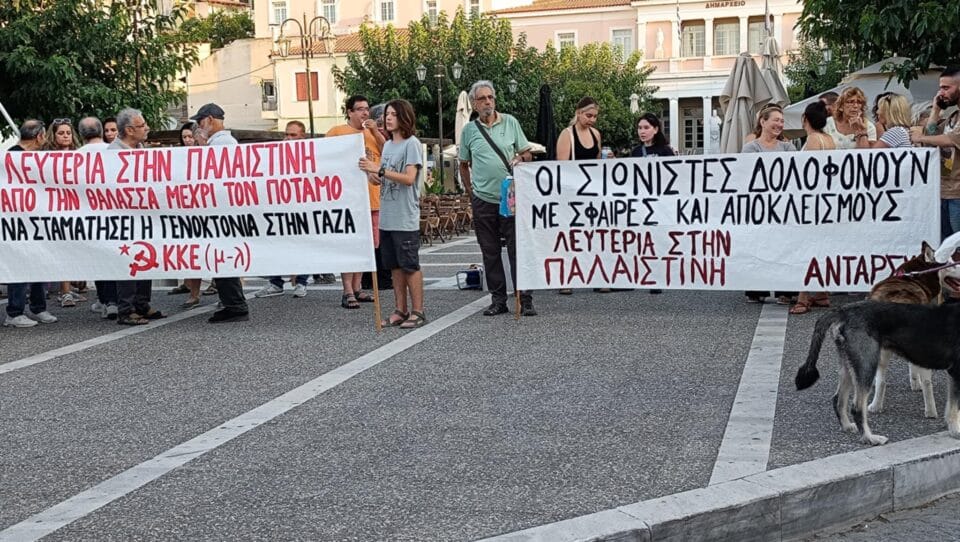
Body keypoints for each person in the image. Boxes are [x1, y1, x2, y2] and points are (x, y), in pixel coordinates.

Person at [458, 80, 536, 317]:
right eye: (482, 98)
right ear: (474, 104)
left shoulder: (510, 122)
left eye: (490, 97)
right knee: (490, 251)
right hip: (483, 199)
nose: (487, 102)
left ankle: (525, 298)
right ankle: (498, 299)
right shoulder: (469, 130)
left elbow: (527, 153)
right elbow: (463, 164)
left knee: (517, 249)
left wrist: (520, 159)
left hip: (510, 197)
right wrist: (471, 191)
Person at [358, 99, 427, 329]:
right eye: (387, 114)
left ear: (404, 117)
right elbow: (384, 177)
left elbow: (409, 178)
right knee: (394, 266)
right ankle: (400, 309)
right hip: (387, 216)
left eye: (394, 114)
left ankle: (418, 311)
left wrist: (379, 170)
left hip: (404, 217)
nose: (388, 118)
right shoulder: (387, 146)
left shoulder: (411, 144)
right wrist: (372, 175)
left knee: (410, 265)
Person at [190, 103, 250, 323]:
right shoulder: (221, 143)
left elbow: (214, 175)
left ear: (210, 120)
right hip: (222, 210)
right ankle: (232, 303)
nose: (198, 126)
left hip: (222, 211)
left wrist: (202, 147)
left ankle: (235, 305)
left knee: (223, 259)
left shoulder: (222, 144)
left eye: (200, 122)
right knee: (221, 259)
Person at [326, 96, 386, 309]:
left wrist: (376, 132)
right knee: (350, 245)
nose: (365, 113)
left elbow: (387, 152)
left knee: (366, 247)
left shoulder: (373, 133)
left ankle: (358, 287)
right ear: (349, 112)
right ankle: (347, 291)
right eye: (359, 109)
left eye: (367, 109)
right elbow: (324, 158)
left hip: (372, 199)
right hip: (348, 200)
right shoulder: (337, 132)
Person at [110, 108, 165, 325]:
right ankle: (126, 309)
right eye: (142, 126)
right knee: (128, 261)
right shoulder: (112, 153)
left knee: (146, 257)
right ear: (129, 130)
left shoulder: (142, 150)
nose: (147, 128)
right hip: (124, 217)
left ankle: (142, 303)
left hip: (144, 214)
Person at [3, 120, 58, 328]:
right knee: (19, 265)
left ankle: (38, 307)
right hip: (17, 222)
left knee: (40, 263)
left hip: (37, 220)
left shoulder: (36, 157)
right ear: (39, 136)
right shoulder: (11, 157)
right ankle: (14, 312)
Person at [741, 105, 797, 304]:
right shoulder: (751, 148)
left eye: (782, 121)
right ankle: (757, 289)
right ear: (763, 122)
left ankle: (786, 290)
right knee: (759, 246)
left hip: (783, 206)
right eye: (776, 120)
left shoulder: (788, 148)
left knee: (784, 247)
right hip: (758, 206)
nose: (779, 124)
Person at [254, 120, 314, 300]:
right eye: (286, 134)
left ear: (302, 136)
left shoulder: (310, 154)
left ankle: (302, 282)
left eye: (293, 135)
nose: (288, 138)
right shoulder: (275, 154)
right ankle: (275, 282)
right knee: (275, 243)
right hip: (279, 207)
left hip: (302, 207)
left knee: (302, 245)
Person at [789, 102, 835, 315]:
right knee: (820, 247)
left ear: (804, 119)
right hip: (825, 201)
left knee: (805, 249)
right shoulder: (829, 139)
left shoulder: (814, 139)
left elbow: (809, 172)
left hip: (812, 202)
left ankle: (803, 297)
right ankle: (823, 293)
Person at [556, 97, 602, 295]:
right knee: (570, 236)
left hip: (591, 192)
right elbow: (562, 166)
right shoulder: (567, 134)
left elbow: (598, 164)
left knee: (594, 235)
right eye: (588, 115)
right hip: (572, 193)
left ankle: (597, 275)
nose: (592, 119)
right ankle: (566, 278)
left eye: (595, 116)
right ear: (578, 113)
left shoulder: (596, 134)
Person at [910, 66, 960, 242]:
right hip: (943, 190)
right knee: (944, 244)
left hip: (958, 194)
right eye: (940, 88)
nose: (941, 93)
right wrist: (935, 110)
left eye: (946, 88)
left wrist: (920, 137)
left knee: (956, 243)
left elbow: (950, 139)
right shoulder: (953, 117)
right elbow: (931, 136)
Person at [632, 112, 678, 295]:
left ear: (656, 129)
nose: (642, 131)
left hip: (660, 202)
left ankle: (657, 276)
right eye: (639, 128)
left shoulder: (665, 151)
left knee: (658, 239)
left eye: (646, 128)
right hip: (641, 202)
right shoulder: (635, 152)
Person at [78, 117, 118, 319]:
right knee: (115, 258)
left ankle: (105, 300)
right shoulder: (114, 152)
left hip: (90, 216)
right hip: (115, 214)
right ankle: (114, 301)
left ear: (81, 134)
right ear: (101, 131)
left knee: (99, 259)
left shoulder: (75, 157)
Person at [166, 121, 208, 307]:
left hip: (206, 209)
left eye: (190, 137)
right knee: (192, 251)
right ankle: (193, 292)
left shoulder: (206, 155)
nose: (188, 140)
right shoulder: (177, 158)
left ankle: (220, 288)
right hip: (187, 210)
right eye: (184, 137)